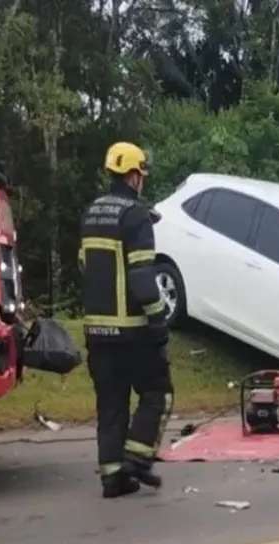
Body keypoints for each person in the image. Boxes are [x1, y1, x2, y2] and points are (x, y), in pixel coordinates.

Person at [79, 141, 173, 499]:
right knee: (158, 393)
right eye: (141, 175)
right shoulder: (135, 216)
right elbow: (140, 276)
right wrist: (158, 321)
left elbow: (84, 266)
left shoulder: (90, 215)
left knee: (111, 403)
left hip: (96, 331)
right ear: (134, 177)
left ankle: (113, 478)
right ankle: (138, 457)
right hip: (131, 331)